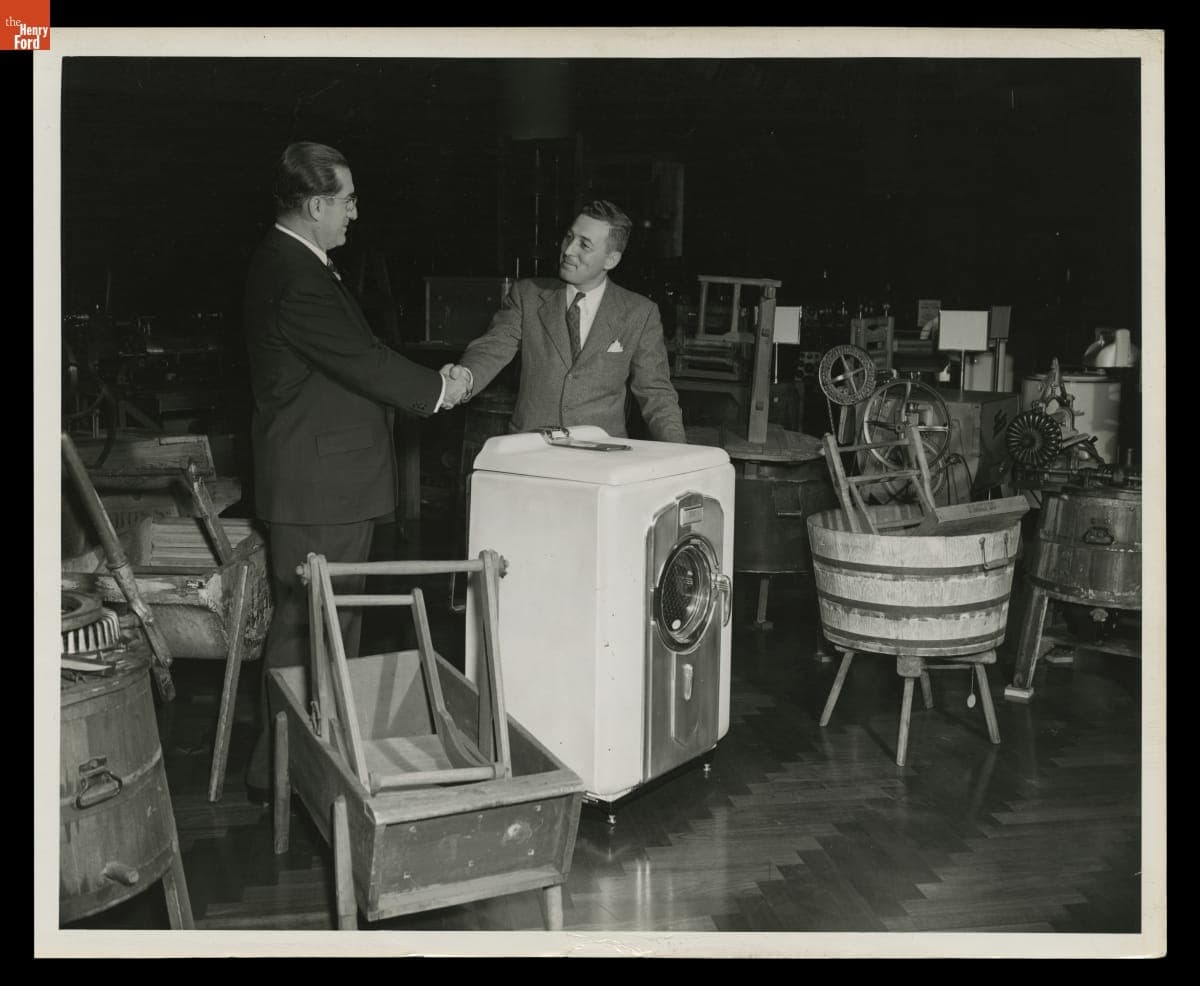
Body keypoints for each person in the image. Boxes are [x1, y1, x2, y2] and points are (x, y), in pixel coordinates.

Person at [241, 141, 468, 800]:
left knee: (321, 631)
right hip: (321, 489)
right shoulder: (293, 273)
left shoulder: (301, 263)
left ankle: (301, 767)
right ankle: (287, 775)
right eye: (346, 200)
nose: (355, 213)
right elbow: (361, 359)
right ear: (316, 205)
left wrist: (427, 380)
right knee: (315, 633)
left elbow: (359, 353)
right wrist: (437, 390)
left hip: (326, 485)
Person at [444, 200, 686, 444]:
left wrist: (681, 455)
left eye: (585, 245)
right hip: (531, 450)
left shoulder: (639, 313)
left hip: (602, 458)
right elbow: (493, 347)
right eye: (569, 237)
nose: (569, 250)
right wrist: (465, 378)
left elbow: (656, 393)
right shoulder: (527, 296)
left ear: (610, 260)